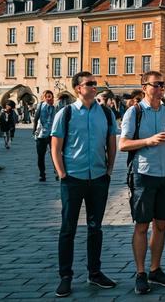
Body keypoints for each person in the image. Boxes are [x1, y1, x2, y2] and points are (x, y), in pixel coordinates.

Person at [50, 71, 119, 298]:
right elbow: (55, 146)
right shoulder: (66, 113)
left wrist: (109, 171)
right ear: (78, 88)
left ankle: (95, 272)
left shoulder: (106, 114)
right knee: (68, 229)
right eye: (90, 84)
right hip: (73, 178)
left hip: (98, 177)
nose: (94, 86)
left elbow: (111, 144)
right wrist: (62, 173)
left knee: (95, 228)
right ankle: (65, 276)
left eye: (95, 83)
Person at [119, 71, 165, 295]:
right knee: (142, 225)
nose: (160, 89)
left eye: (162, 85)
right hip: (144, 173)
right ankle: (140, 273)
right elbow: (123, 144)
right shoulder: (134, 112)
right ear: (144, 87)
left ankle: (155, 269)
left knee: (161, 225)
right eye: (156, 85)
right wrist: (148, 140)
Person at [33, 90, 58, 181]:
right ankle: (42, 174)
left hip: (52, 134)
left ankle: (57, 172)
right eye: (48, 96)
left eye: (51, 96)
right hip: (41, 134)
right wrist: (34, 130)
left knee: (54, 154)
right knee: (41, 155)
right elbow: (36, 118)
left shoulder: (55, 107)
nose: (50, 98)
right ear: (44, 97)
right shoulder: (40, 106)